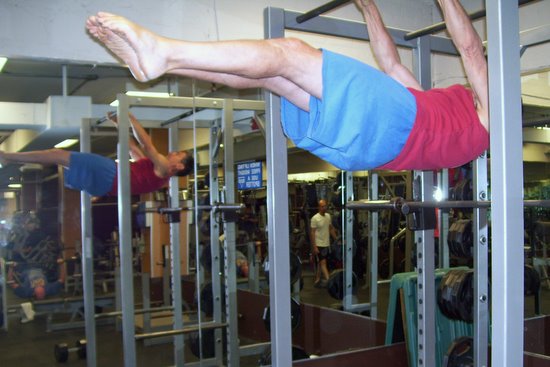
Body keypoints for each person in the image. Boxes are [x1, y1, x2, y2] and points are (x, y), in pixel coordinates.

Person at [85, 0, 488, 172]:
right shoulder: (450, 123)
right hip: (372, 150)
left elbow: (470, 49)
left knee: (291, 53)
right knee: (273, 76)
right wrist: (369, 9)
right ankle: (166, 63)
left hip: (395, 122)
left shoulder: (492, 113)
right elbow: (392, 64)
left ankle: (162, 53)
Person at [0, 113, 194, 197]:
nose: (172, 152)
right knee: (60, 159)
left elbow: (147, 144)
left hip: (110, 174)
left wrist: (131, 118)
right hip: (104, 188)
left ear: (179, 167)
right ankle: (10, 158)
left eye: (178, 154)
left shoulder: (163, 168)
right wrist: (120, 125)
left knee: (58, 154)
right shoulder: (156, 174)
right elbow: (133, 148)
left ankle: (9, 157)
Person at [310, 199, 338, 288]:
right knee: (323, 263)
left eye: (325, 206)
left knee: (320, 263)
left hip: (326, 244)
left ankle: (317, 279)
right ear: (319, 207)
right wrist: (314, 247)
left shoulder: (328, 216)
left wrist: (337, 240)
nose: (324, 208)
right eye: (322, 206)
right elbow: (312, 233)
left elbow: (330, 229)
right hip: (319, 245)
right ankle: (330, 282)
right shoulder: (315, 218)